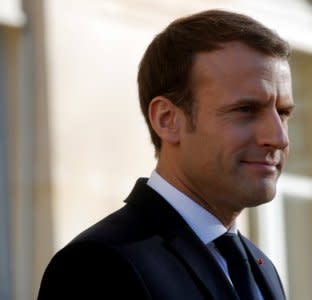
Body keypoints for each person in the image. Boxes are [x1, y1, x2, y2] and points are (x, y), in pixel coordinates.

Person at [38, 9, 294, 300]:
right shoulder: (97, 266)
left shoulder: (261, 269)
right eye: (245, 110)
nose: (278, 137)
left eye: (283, 113)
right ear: (167, 119)